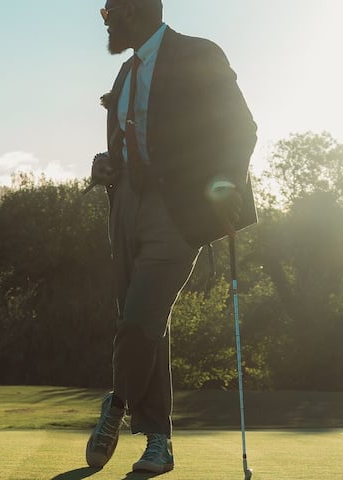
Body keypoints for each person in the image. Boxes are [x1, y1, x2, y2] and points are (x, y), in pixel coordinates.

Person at [85, 0, 258, 474]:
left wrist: (226, 183)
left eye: (109, 12)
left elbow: (241, 128)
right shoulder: (125, 74)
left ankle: (118, 403)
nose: (105, 21)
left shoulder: (199, 54)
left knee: (138, 321)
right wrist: (107, 165)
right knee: (145, 324)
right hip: (125, 205)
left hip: (176, 210)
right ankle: (158, 443)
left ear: (134, 10)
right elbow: (130, 144)